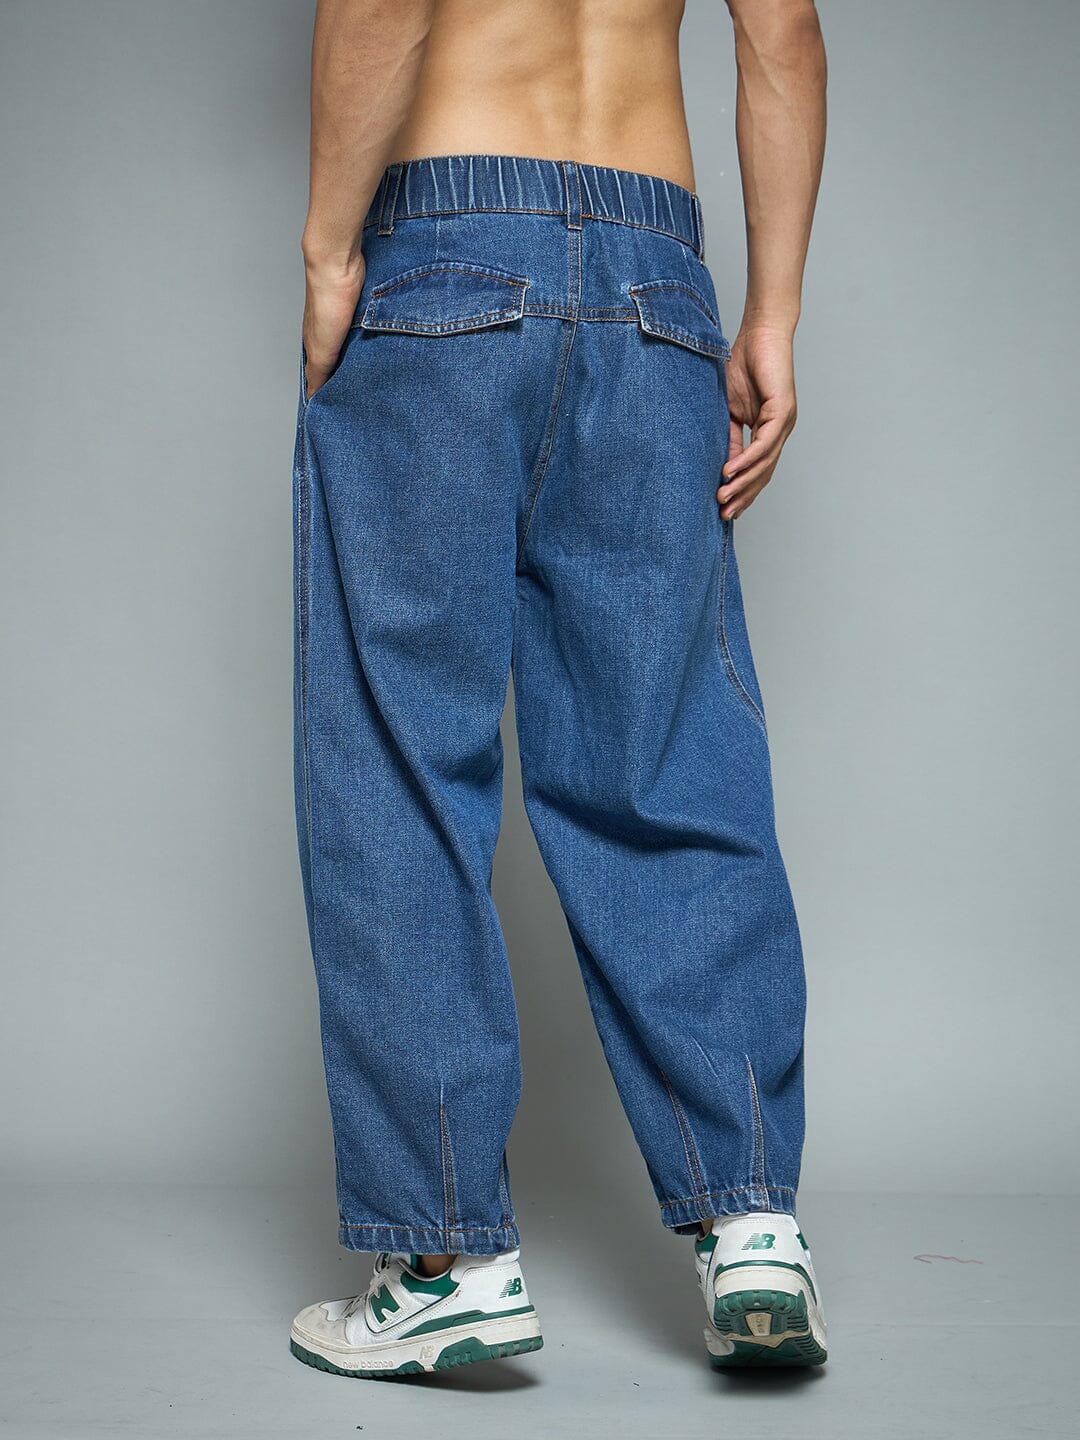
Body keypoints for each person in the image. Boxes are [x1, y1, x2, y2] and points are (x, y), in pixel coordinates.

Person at [288, 0, 828, 1379]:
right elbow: (781, 30)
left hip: (446, 255)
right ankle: (752, 1226)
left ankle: (445, 1264)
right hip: (657, 275)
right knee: (668, 760)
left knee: (404, 762)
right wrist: (771, 313)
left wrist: (331, 249)